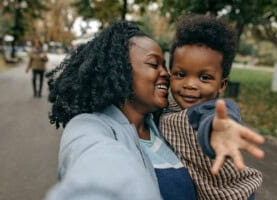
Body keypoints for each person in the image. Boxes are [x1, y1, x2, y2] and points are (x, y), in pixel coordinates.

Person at [45, 21, 263, 200]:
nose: (166, 74)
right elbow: (96, 164)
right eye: (154, 64)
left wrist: (216, 129)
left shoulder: (162, 121)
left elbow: (208, 115)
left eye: (165, 66)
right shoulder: (92, 127)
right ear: (121, 70)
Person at [159, 14, 264, 200]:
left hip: (233, 194)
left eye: (204, 77)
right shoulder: (167, 106)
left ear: (222, 85)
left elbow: (213, 118)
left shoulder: (213, 110)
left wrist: (217, 129)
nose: (190, 84)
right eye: (181, 74)